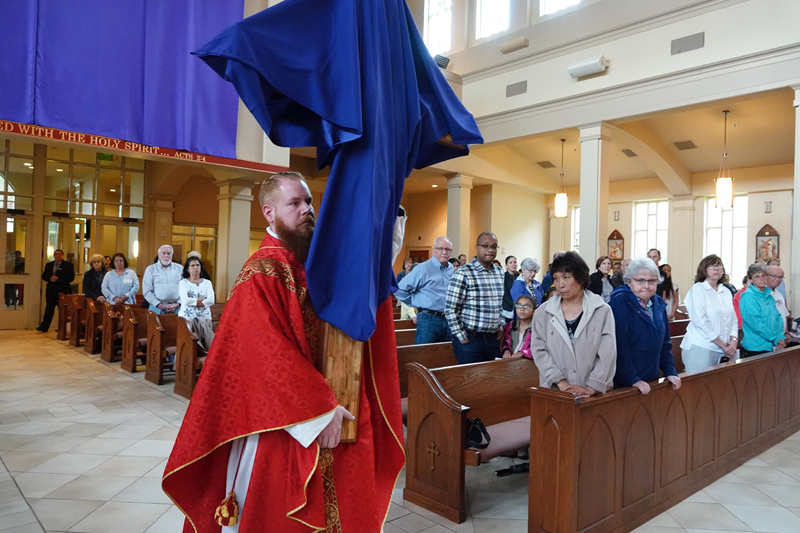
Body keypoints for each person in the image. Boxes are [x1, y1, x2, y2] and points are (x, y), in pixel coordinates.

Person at [164, 172, 404, 532]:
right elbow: (263, 354)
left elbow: (359, 279)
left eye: (308, 202)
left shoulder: (309, 261)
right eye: (294, 203)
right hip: (279, 421)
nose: (307, 210)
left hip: (323, 410)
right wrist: (318, 410)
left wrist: (387, 222)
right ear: (269, 212)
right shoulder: (260, 272)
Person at [530, 252, 616, 398]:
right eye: (556, 279)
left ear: (580, 277)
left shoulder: (601, 310)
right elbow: (539, 351)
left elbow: (608, 353)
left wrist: (592, 386)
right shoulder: (543, 312)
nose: (560, 284)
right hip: (555, 390)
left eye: (566, 278)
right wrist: (562, 383)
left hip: (592, 393)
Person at [609, 258, 681, 394]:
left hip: (651, 377)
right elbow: (619, 346)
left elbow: (665, 343)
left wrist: (670, 371)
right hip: (625, 383)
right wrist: (632, 379)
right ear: (629, 281)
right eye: (640, 280)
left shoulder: (658, 303)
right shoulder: (619, 302)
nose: (646, 286)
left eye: (651, 281)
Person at [445, 232, 505, 364]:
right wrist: (462, 337)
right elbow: (450, 309)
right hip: (470, 338)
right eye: (485, 246)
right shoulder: (463, 273)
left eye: (494, 247)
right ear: (477, 248)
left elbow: (499, 303)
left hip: (493, 338)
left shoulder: (499, 272)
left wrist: (501, 325)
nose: (490, 250)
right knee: (471, 381)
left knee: (492, 380)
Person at [680, 255, 738, 371]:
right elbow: (701, 322)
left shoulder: (725, 291)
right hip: (702, 347)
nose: (716, 269)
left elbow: (733, 319)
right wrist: (723, 345)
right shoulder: (698, 289)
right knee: (699, 386)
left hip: (725, 349)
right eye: (712, 266)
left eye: (719, 266)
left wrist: (734, 341)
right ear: (704, 269)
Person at [395, 237, 455, 344]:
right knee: (424, 355)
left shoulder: (451, 269)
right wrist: (415, 302)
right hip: (428, 319)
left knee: (448, 356)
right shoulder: (423, 268)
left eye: (448, 249)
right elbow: (399, 290)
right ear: (433, 250)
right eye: (440, 249)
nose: (444, 252)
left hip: (448, 319)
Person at [739, 263, 786, 357]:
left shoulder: (769, 296)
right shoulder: (748, 297)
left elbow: (778, 318)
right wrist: (776, 338)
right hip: (757, 346)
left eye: (763, 275)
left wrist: (781, 336)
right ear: (751, 279)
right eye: (757, 276)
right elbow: (757, 324)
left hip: (772, 344)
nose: (761, 278)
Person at [178, 256, 216, 351]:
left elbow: (211, 300)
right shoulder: (183, 282)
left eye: (197, 265)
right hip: (188, 318)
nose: (195, 268)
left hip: (205, 318)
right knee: (190, 346)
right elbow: (185, 300)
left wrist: (194, 301)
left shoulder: (207, 283)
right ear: (188, 268)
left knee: (207, 345)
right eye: (192, 265)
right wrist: (201, 300)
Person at [37, 249, 75, 333]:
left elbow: (71, 278)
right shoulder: (49, 265)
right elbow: (44, 276)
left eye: (59, 254)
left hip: (63, 291)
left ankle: (62, 327)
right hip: (51, 290)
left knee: (63, 310)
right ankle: (44, 327)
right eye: (56, 254)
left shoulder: (68, 265)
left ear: (62, 255)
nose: (57, 256)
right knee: (49, 309)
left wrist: (58, 278)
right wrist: (50, 278)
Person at [142, 244, 183, 314]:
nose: (166, 256)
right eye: (164, 253)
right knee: (154, 325)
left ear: (172, 255)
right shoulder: (151, 269)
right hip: (157, 306)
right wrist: (160, 305)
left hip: (177, 307)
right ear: (159, 255)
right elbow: (147, 291)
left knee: (181, 324)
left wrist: (178, 304)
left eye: (169, 253)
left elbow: (185, 289)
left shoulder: (180, 268)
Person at [501, 294, 536, 360]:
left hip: (530, 364)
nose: (522, 309)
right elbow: (505, 343)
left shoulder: (538, 327)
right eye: (519, 305)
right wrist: (506, 350)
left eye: (527, 306)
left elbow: (540, 347)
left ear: (534, 311)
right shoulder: (510, 326)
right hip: (511, 363)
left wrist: (522, 353)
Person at [767, 264, 789, 332]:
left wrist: (786, 333)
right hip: (769, 337)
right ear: (766, 276)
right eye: (774, 276)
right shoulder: (762, 294)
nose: (778, 279)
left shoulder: (779, 294)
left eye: (780, 277)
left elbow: (784, 316)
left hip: (780, 337)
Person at [501, 255, 518, 322]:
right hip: (507, 308)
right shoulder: (503, 277)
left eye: (515, 262)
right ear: (506, 266)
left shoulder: (520, 277)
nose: (513, 264)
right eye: (510, 262)